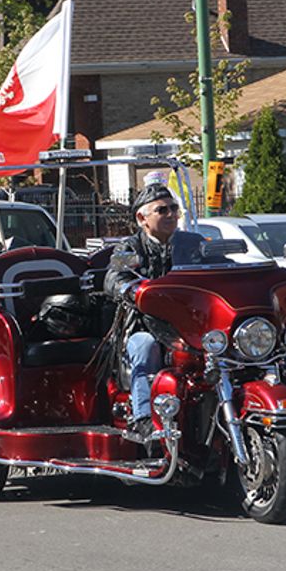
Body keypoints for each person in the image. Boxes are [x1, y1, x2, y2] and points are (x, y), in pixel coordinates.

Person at [104, 182, 206, 440]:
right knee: (145, 347)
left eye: (174, 209)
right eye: (162, 210)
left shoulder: (193, 244)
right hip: (142, 325)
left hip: (188, 325)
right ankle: (143, 419)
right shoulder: (130, 248)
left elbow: (220, 266)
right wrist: (130, 289)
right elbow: (113, 278)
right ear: (142, 218)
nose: (171, 215)